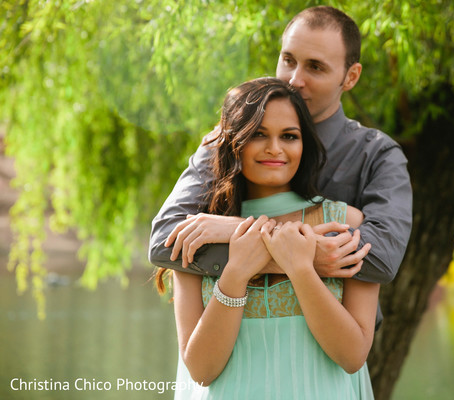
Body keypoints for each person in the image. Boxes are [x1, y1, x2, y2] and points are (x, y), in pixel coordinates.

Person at [149, 6, 411, 321]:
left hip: (335, 351)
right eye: (288, 60)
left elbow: (380, 257)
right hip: (228, 342)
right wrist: (295, 259)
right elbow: (165, 242)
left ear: (350, 77)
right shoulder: (229, 140)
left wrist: (236, 231)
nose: (295, 79)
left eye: (315, 67)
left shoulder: (377, 156)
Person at [160, 77, 379, 399]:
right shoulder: (200, 230)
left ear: (304, 146)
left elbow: (352, 356)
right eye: (258, 134)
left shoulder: (343, 223)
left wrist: (301, 270)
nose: (275, 148)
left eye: (289, 136)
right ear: (234, 141)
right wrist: (234, 275)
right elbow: (201, 370)